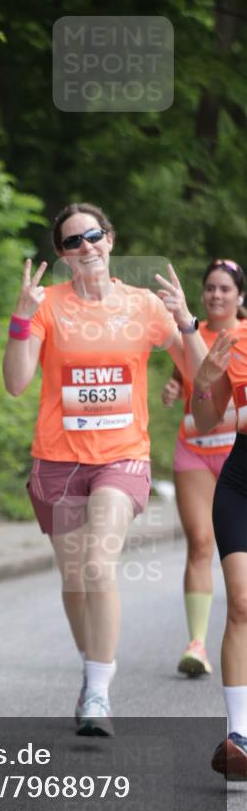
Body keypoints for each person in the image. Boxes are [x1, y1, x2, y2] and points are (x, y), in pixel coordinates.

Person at [3, 202, 207, 736]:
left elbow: (201, 376)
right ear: (63, 255)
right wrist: (21, 319)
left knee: (98, 564)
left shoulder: (142, 306)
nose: (86, 246)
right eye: (73, 241)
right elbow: (17, 382)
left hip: (122, 456)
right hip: (57, 460)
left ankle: (98, 692)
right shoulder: (49, 306)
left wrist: (185, 322)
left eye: (93, 235)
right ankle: (91, 665)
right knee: (74, 581)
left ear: (110, 239)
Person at [161, 260, 247, 677]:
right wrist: (175, 386)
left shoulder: (242, 338)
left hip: (234, 451)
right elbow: (194, 389)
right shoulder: (187, 334)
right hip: (196, 449)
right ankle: (198, 641)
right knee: (200, 542)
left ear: (239, 297)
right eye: (210, 288)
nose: (216, 295)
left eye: (224, 289)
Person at [191, 315, 247, 780]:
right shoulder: (238, 342)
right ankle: (240, 738)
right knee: (242, 603)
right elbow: (207, 419)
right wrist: (203, 384)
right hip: (240, 483)